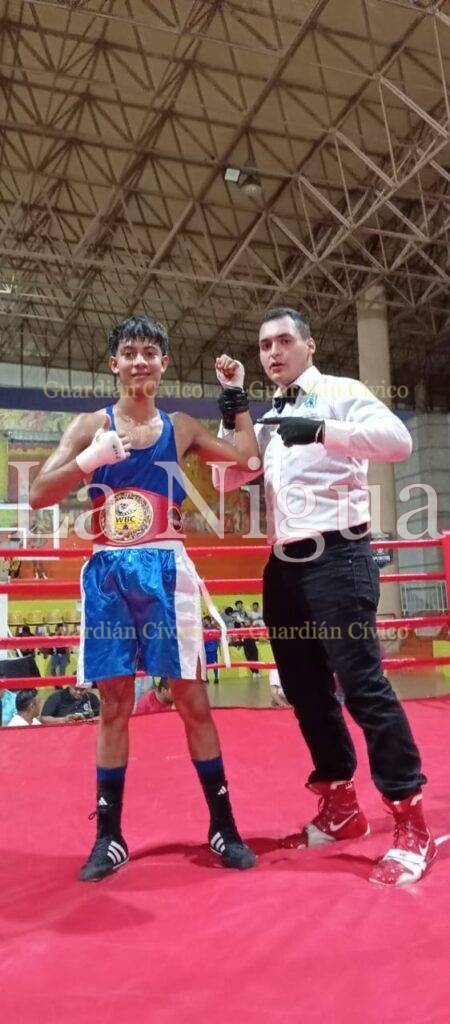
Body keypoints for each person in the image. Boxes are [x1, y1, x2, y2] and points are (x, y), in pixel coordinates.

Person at [30, 314, 259, 881]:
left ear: (163, 364)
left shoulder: (181, 427)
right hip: (108, 571)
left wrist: (235, 398)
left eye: (149, 353)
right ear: (114, 364)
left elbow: (248, 462)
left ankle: (224, 826)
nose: (139, 361)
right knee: (114, 704)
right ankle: (109, 837)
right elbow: (37, 494)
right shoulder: (89, 424)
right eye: (129, 352)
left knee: (191, 698)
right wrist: (90, 459)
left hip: (166, 568)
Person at [215, 306, 435, 887]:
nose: (273, 352)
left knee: (363, 687)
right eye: (265, 345)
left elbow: (398, 441)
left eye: (284, 340)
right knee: (307, 693)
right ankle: (340, 809)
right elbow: (226, 478)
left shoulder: (341, 391)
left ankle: (410, 822)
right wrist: (233, 411)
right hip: (283, 569)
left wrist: (321, 431)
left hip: (339, 556)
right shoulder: (267, 418)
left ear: (308, 345)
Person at [203, 616, 220, 685]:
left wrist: (217, 646)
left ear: (209, 620)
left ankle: (216, 678)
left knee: (215, 664)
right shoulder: (203, 629)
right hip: (205, 649)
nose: (204, 622)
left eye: (205, 620)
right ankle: (206, 678)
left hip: (213, 649)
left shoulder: (214, 628)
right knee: (205, 665)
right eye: (204, 621)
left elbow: (218, 638)